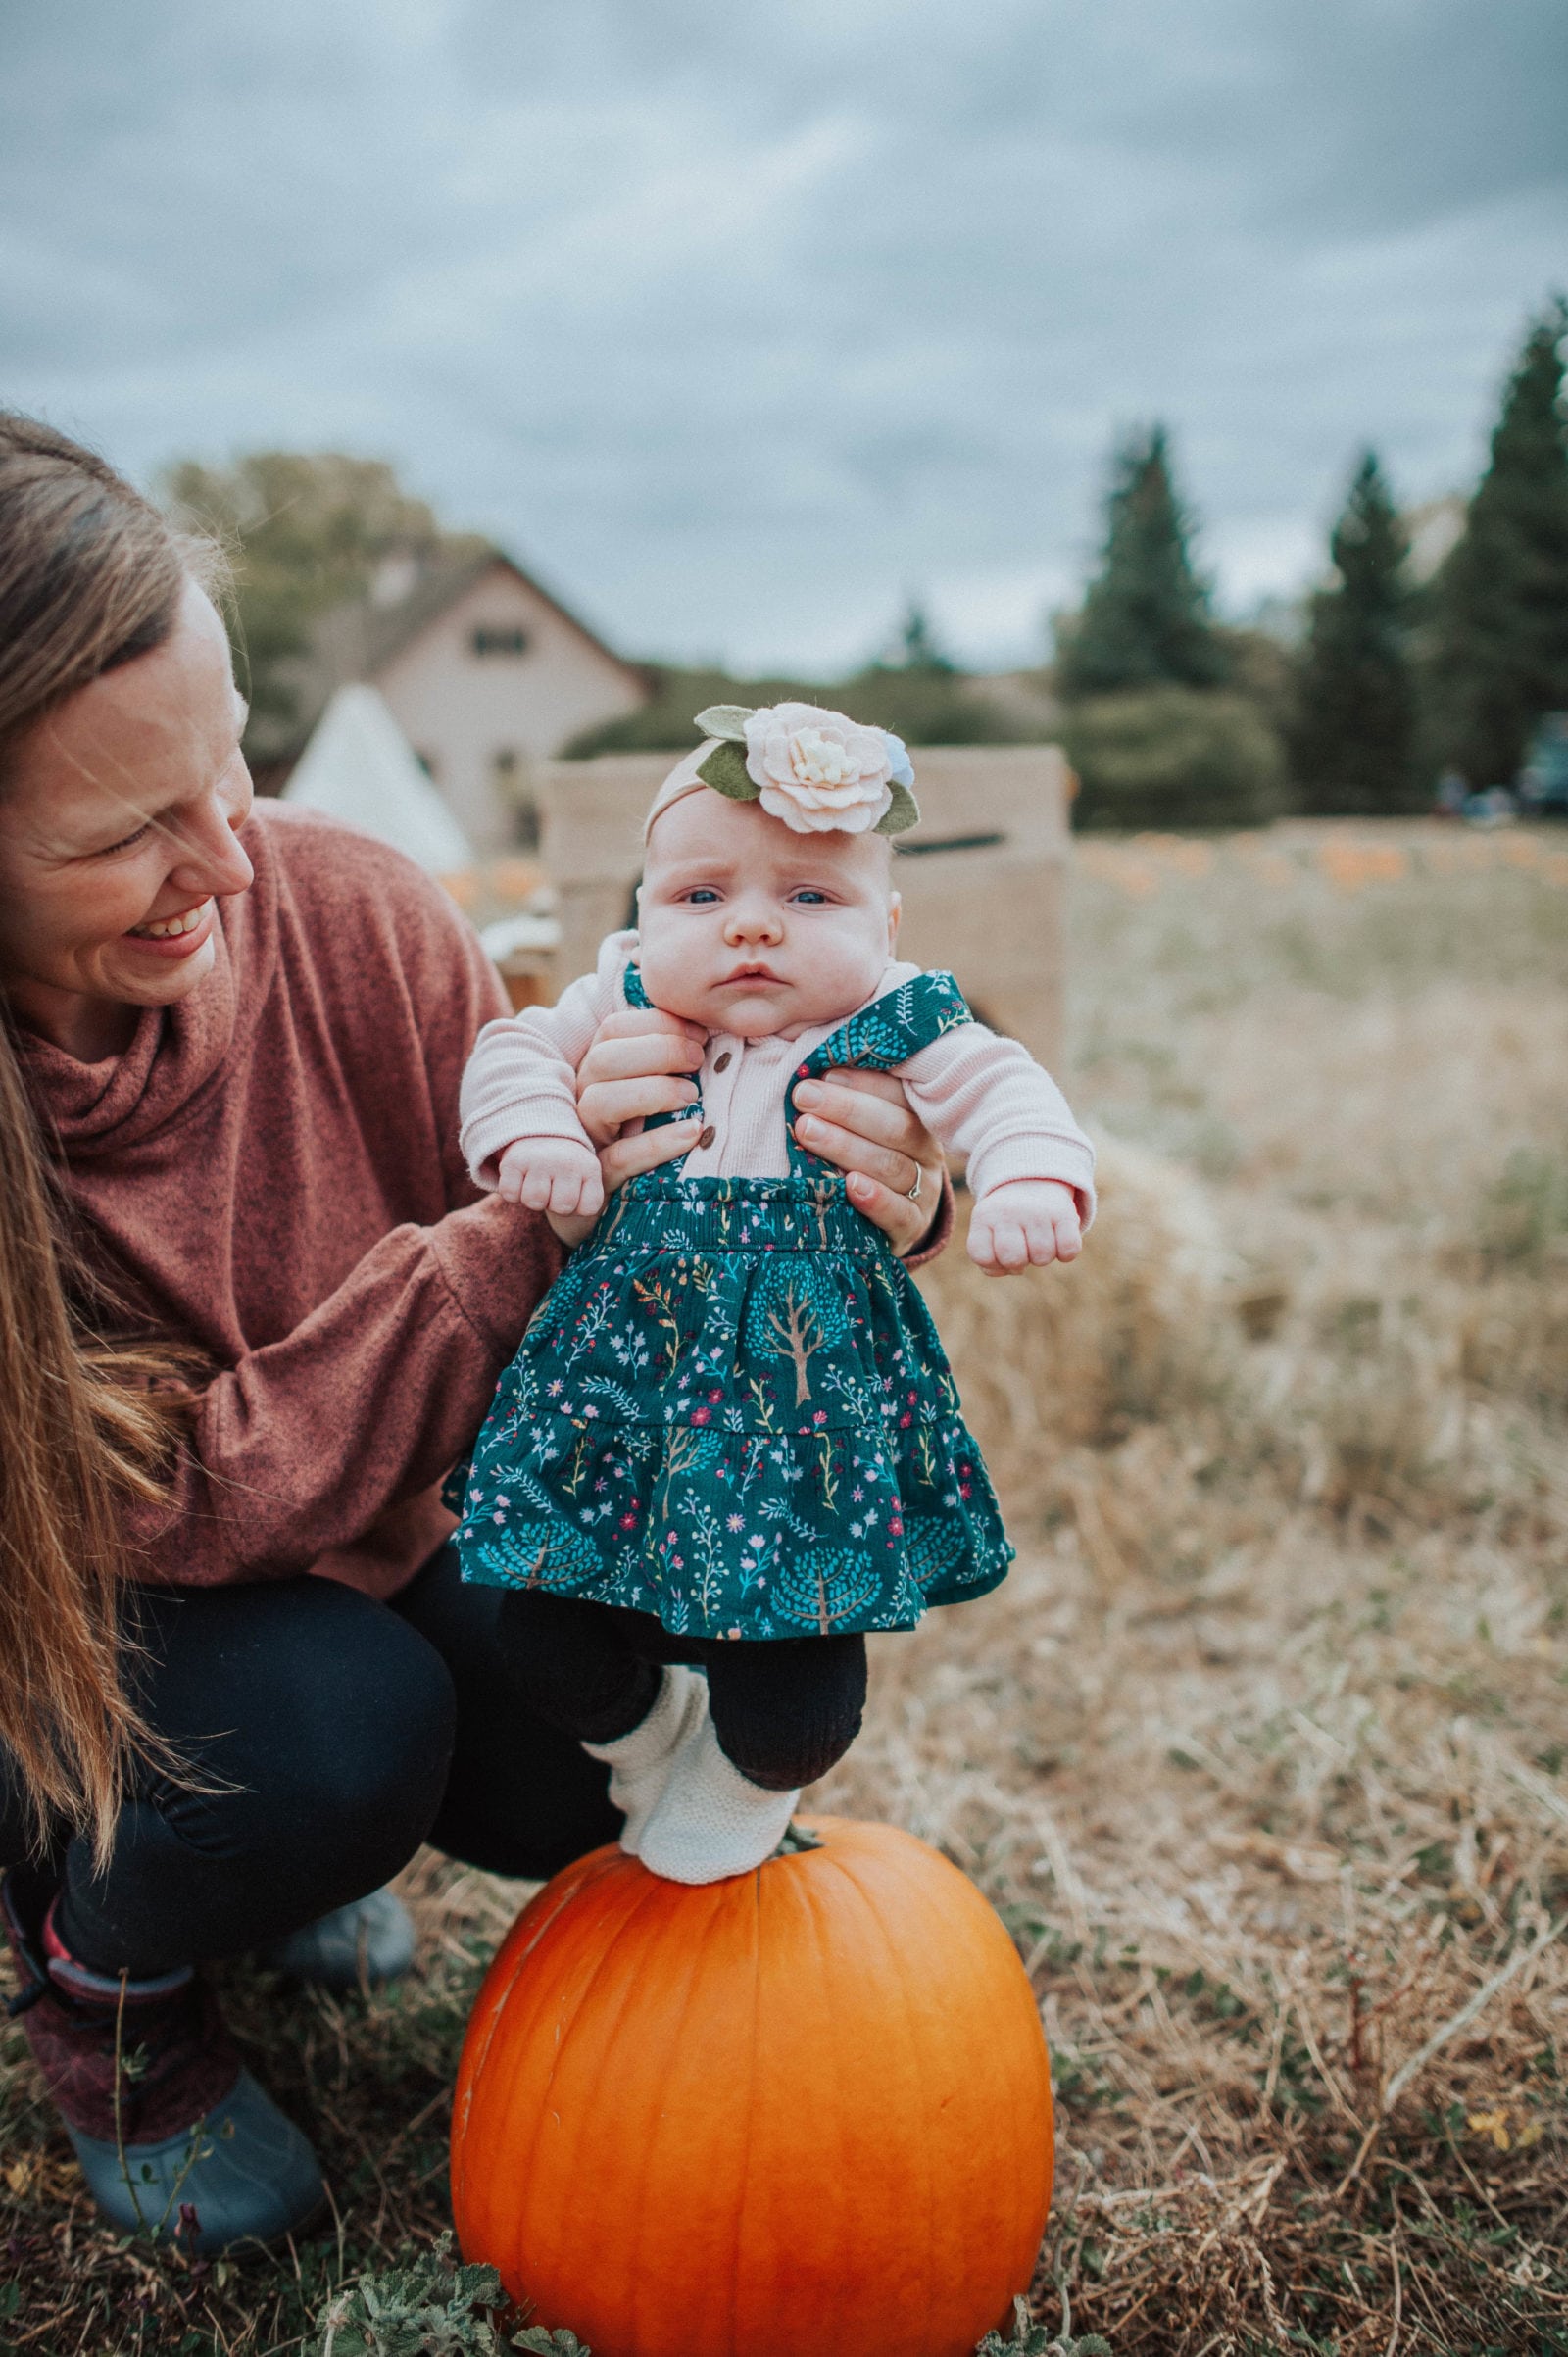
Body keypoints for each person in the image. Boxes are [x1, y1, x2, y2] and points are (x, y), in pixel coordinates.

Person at [0, 419, 953, 2254]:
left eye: (231, 767)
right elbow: (169, 1509)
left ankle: (259, 1877)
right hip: (95, 1618)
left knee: (608, 1718)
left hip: (365, 1533)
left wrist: (828, 1198)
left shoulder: (349, 910)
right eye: (127, 832)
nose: (231, 861)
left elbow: (601, 1285)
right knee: (328, 1738)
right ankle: (101, 1978)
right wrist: (500, 1255)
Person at [452, 704, 1097, 1882]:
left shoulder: (892, 1019)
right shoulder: (623, 994)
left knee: (796, 1678)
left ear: (886, 924)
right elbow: (509, 1053)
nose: (750, 923)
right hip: (621, 1401)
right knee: (541, 1624)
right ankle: (647, 1729)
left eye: (809, 896)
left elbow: (1005, 1087)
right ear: (644, 911)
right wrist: (538, 1125)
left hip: (805, 1419)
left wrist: (1030, 1172)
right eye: (701, 895)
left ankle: (755, 1768)